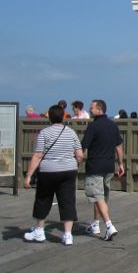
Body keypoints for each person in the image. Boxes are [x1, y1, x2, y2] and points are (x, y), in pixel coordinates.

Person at [23, 105, 84, 245]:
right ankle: (68, 235)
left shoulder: (44, 133)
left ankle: (39, 231)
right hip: (68, 170)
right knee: (67, 201)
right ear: (63, 117)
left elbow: (38, 155)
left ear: (49, 117)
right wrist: (73, 163)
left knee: (43, 199)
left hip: (48, 171)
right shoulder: (71, 132)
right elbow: (80, 155)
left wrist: (28, 175)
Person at [82, 99, 125, 241]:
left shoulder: (92, 127)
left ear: (99, 110)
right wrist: (121, 164)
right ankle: (95, 224)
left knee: (98, 197)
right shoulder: (113, 126)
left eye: (92, 108)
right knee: (101, 197)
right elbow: (119, 147)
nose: (90, 110)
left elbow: (84, 148)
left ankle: (109, 226)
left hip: (95, 166)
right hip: (108, 166)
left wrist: (76, 161)